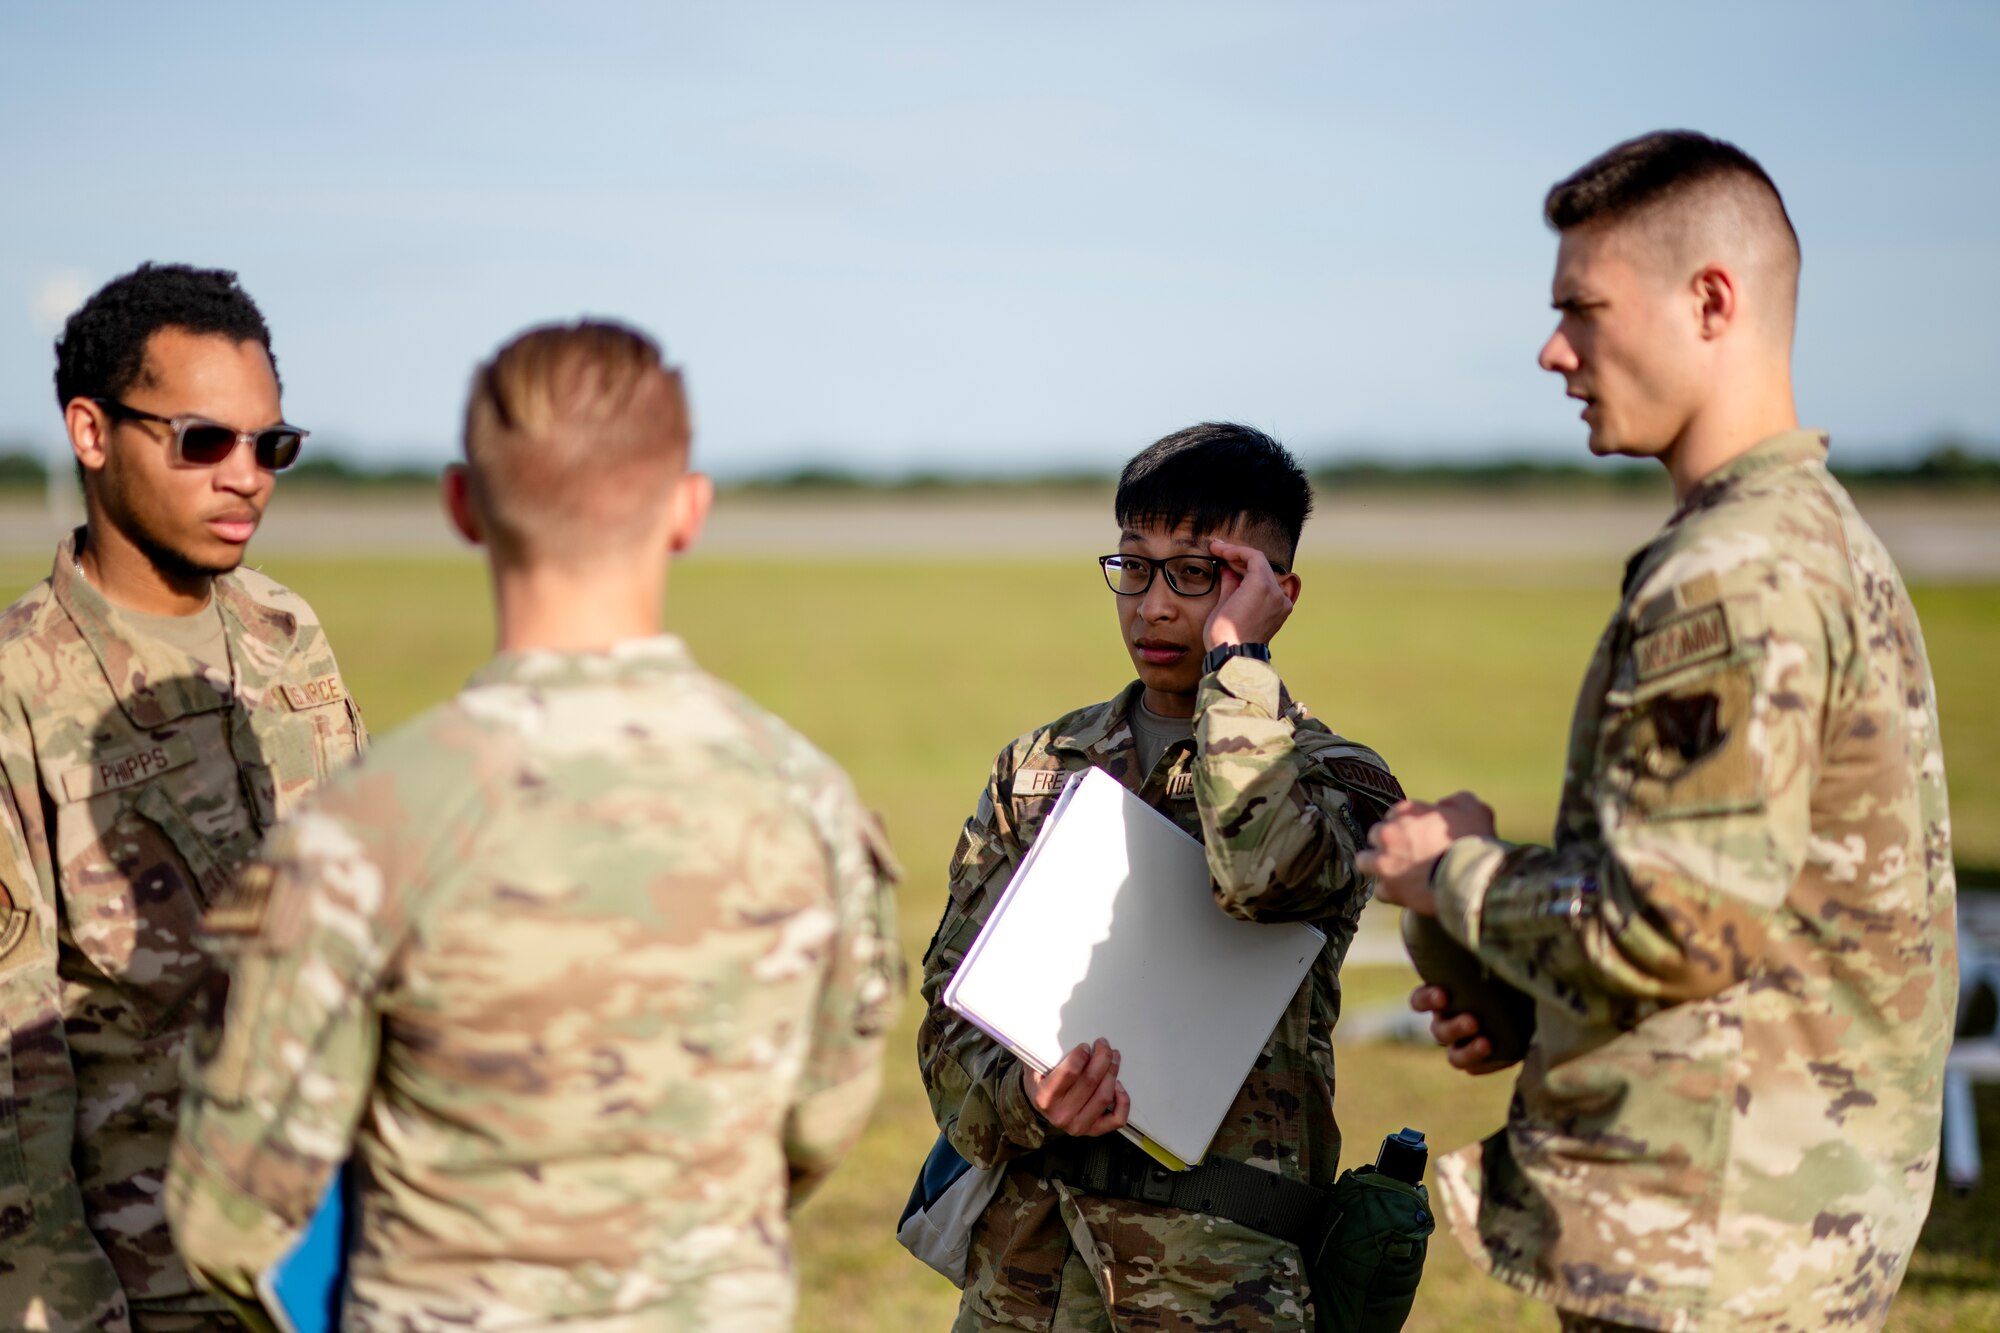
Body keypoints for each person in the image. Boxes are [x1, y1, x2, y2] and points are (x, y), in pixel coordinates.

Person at [166, 319, 903, 1331]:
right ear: (687, 511)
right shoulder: (806, 796)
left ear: (461, 505)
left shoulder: (367, 826)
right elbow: (820, 1119)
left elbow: (230, 1218)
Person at [1361, 131, 1957, 1331]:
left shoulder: (1730, 575)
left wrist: (1448, 875)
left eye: (1581, 307)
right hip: (1776, 1222)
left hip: (1717, 1247)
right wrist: (1535, 1000)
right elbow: (1765, 914)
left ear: (1710, 301)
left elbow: (1672, 920)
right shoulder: (1812, 534)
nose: (1551, 349)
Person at [918, 423, 1405, 1332]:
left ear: (1274, 592)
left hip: (1219, 1288)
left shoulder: (1336, 778)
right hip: (1025, 1278)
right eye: (1133, 567)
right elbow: (949, 1020)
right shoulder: (1040, 768)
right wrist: (1025, 1100)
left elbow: (1262, 876)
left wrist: (1237, 665)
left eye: (1197, 573)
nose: (1152, 606)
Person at [0, 262, 364, 1332]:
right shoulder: (22, 692)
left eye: (272, 446)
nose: (245, 476)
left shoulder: (284, 630)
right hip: (153, 1279)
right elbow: (14, 1074)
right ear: (92, 432)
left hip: (331, 1256)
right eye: (203, 441)